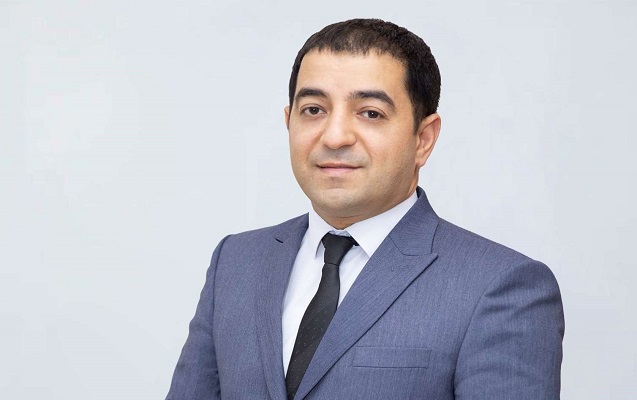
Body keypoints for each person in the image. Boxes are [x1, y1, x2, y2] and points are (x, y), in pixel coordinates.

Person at [166, 18, 564, 400]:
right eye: (314, 110)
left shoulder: (501, 287)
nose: (335, 136)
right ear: (289, 123)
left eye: (371, 113)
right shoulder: (236, 262)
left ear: (423, 139)